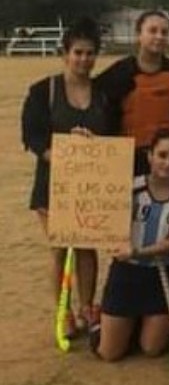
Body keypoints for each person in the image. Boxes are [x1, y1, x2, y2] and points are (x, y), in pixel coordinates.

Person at [21, 18, 112, 338]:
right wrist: (63, 151)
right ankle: (64, 312)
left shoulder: (103, 94)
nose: (84, 59)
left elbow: (114, 136)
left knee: (87, 246)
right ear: (65, 53)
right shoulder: (42, 91)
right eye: (78, 52)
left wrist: (93, 145)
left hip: (91, 185)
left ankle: (88, 308)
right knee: (60, 247)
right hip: (53, 185)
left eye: (90, 53)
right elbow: (32, 136)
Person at [92, 131, 169, 361]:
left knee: (152, 349)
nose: (167, 163)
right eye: (162, 155)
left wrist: (138, 251)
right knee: (109, 354)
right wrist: (86, 143)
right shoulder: (129, 187)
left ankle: (142, 324)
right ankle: (104, 324)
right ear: (149, 156)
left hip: (161, 275)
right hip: (126, 272)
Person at [95, 10, 169, 190]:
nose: (159, 36)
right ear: (139, 34)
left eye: (164, 32)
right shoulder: (119, 73)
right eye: (152, 30)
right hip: (132, 157)